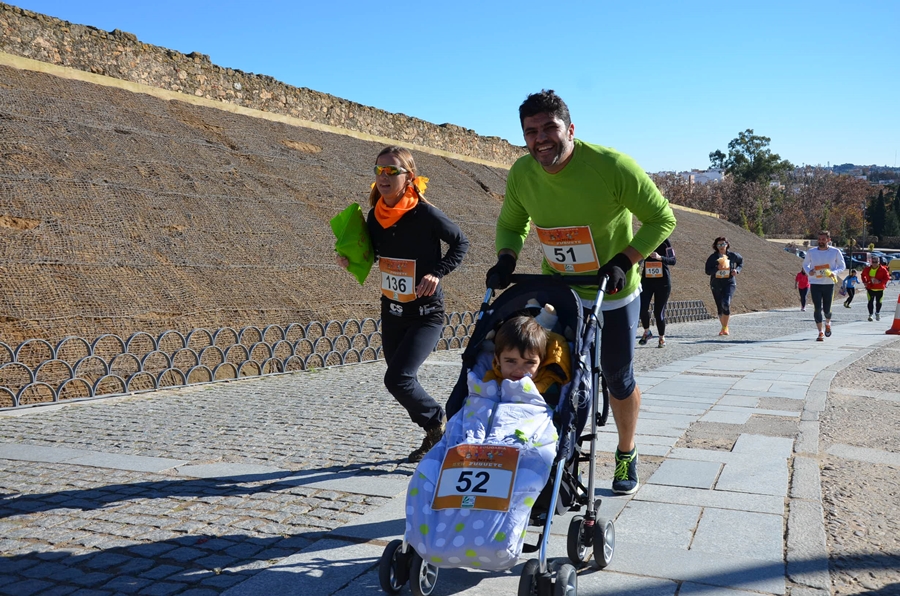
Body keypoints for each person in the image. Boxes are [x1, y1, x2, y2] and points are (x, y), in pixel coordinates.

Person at [469, 89, 676, 496]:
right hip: (559, 292)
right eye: (531, 132)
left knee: (617, 376)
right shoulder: (523, 173)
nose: (541, 138)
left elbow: (661, 219)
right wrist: (507, 258)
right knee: (558, 376)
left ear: (571, 129)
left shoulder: (612, 166)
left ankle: (626, 449)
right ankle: (554, 455)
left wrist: (625, 259)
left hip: (611, 290)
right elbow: (512, 224)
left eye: (550, 128)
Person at [337, 146, 469, 462]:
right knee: (398, 381)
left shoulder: (425, 214)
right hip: (393, 310)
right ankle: (433, 432)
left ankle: (437, 421)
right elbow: (371, 250)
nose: (384, 177)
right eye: (379, 170)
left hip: (425, 314)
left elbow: (461, 242)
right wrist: (350, 258)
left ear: (409, 176)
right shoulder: (375, 215)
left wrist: (437, 273)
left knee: (397, 378)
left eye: (391, 171)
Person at [481, 315, 572, 401]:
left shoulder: (549, 385)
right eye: (511, 361)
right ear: (498, 360)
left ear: (541, 362)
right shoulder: (490, 381)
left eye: (529, 362)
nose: (520, 370)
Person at [802, 230, 845, 341]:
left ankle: (828, 322)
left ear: (828, 240)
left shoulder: (835, 252)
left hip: (828, 283)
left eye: (823, 239)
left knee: (827, 310)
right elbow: (805, 264)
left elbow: (842, 266)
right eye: (819, 239)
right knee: (817, 308)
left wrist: (833, 273)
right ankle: (820, 332)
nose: (821, 241)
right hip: (815, 283)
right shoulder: (812, 252)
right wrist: (808, 271)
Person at [637, 238, 676, 348]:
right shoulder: (645, 241)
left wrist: (660, 258)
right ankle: (647, 332)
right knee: (642, 308)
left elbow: (673, 260)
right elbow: (638, 258)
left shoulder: (665, 242)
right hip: (647, 281)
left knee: (659, 312)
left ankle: (661, 337)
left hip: (662, 282)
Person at [705, 237, 743, 336]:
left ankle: (725, 328)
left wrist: (737, 270)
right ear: (716, 246)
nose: (721, 247)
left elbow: (740, 262)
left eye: (723, 244)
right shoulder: (712, 258)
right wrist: (716, 268)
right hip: (716, 283)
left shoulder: (733, 256)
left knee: (726, 303)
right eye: (719, 245)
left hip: (729, 282)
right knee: (719, 306)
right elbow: (707, 271)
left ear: (727, 245)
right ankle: (724, 327)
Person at [861, 256, 890, 321]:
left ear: (879, 262)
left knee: (878, 302)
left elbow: (887, 277)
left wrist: (880, 281)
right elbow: (863, 275)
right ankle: (870, 315)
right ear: (871, 262)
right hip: (870, 288)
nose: (874, 263)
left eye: (876, 262)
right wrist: (865, 282)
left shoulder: (883, 269)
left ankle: (877, 313)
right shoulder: (867, 269)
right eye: (873, 262)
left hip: (880, 289)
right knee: (870, 302)